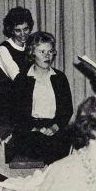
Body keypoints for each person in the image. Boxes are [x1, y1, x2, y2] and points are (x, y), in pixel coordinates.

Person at [7, 31, 73, 165]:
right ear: (32, 53)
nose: (47, 56)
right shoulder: (22, 79)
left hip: (54, 127)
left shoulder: (60, 78)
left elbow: (66, 110)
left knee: (60, 144)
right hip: (30, 129)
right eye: (42, 52)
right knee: (38, 144)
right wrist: (35, 129)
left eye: (50, 51)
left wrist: (54, 127)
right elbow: (16, 113)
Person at [0, 6, 33, 118]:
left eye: (26, 29)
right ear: (11, 31)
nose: (23, 34)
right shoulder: (3, 49)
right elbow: (18, 79)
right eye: (18, 30)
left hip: (24, 97)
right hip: (5, 104)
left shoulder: (30, 46)